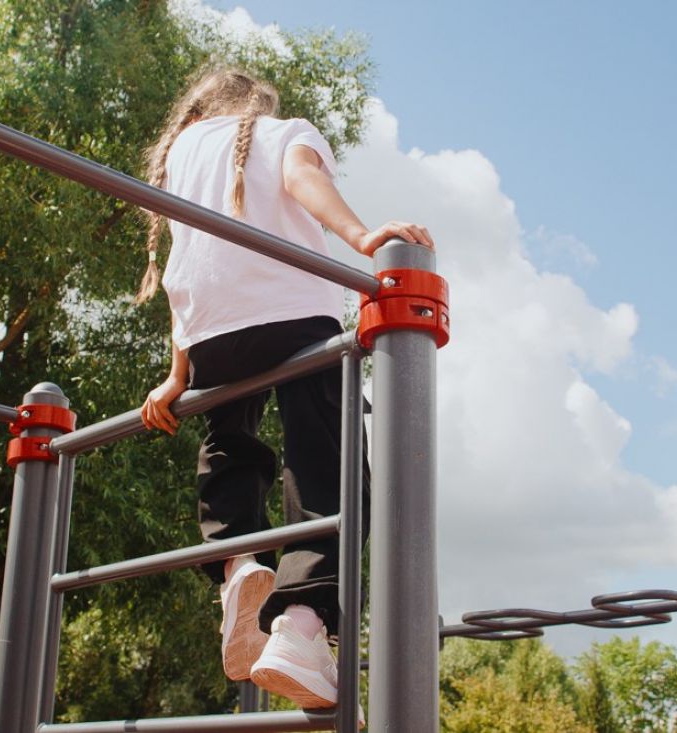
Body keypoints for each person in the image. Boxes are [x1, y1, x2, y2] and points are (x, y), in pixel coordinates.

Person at [136, 69, 433, 709]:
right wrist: (362, 238)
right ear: (258, 108)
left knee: (228, 442)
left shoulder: (181, 156)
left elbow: (184, 268)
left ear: (196, 112)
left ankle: (238, 565)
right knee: (324, 455)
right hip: (294, 315)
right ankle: (300, 624)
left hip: (211, 334)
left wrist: (178, 375)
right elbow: (303, 179)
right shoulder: (282, 132)